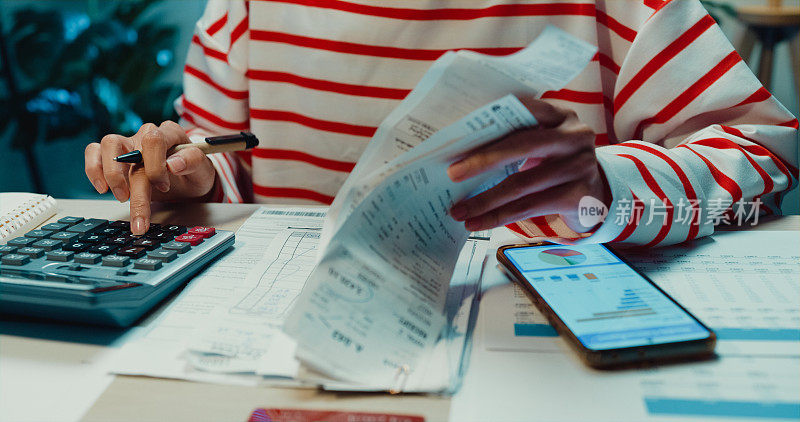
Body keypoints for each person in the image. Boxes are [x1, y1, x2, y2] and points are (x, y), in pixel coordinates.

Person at [84, 0, 798, 247]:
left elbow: (767, 159)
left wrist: (607, 187)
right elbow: (227, 164)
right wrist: (186, 181)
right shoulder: (244, 11)